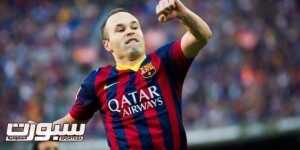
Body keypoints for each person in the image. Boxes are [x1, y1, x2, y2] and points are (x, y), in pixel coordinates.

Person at [54, 0, 212, 149]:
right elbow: (71, 123)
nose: (130, 32)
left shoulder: (164, 61)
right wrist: (38, 137)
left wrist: (183, 14)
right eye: (120, 29)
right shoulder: (96, 81)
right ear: (107, 44)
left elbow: (202, 35)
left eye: (134, 27)